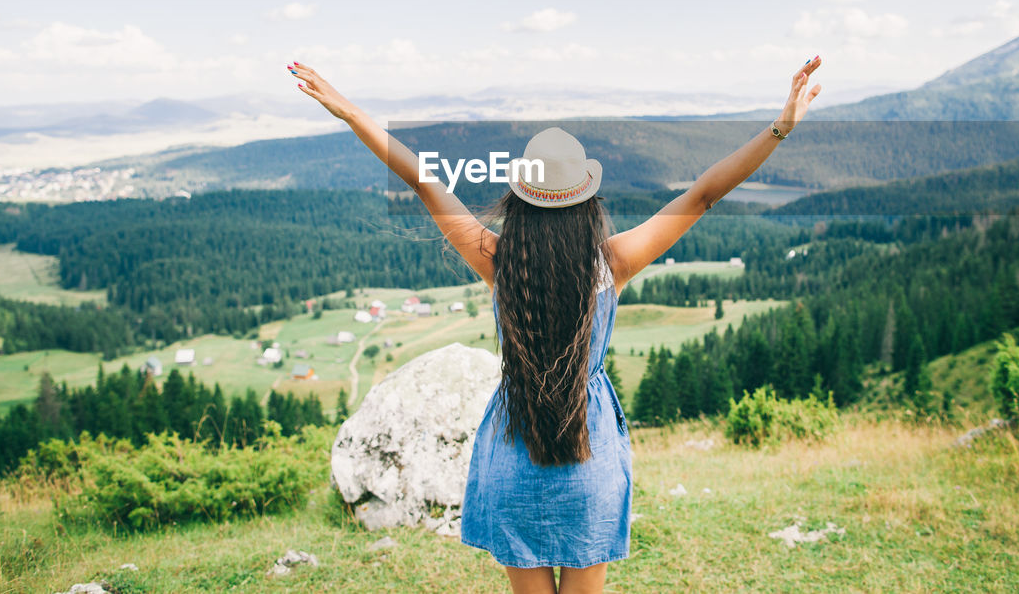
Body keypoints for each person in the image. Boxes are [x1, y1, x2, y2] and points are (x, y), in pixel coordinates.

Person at [288, 56, 823, 593]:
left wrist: (350, 111)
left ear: (522, 198)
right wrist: (780, 128)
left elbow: (425, 182)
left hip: (513, 450)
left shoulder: (498, 261)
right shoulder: (612, 264)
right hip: (587, 452)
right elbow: (702, 195)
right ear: (586, 200)